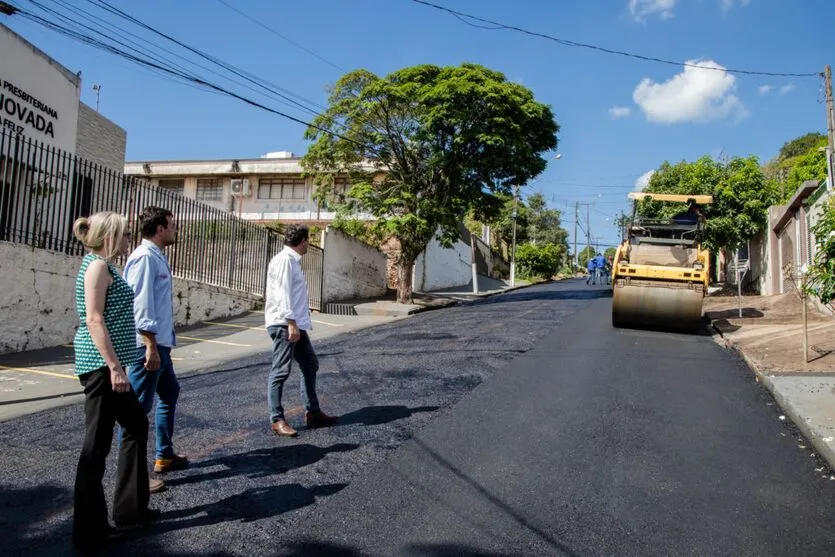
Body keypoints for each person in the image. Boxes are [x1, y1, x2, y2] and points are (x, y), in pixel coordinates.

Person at [71, 212, 158, 549]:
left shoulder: (105, 266)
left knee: (135, 424)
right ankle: (90, 530)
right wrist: (115, 368)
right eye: (123, 235)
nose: (126, 241)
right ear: (109, 236)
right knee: (95, 447)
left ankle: (130, 509)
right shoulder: (96, 266)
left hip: (112, 365)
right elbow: (93, 319)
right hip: (101, 367)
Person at [123, 206, 187, 482]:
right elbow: (140, 304)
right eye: (172, 225)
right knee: (136, 412)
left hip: (160, 345)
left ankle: (164, 454)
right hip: (146, 347)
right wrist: (149, 345)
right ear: (160, 228)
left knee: (170, 392)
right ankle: (134, 478)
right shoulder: (144, 259)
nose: (175, 229)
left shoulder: (158, 257)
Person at [265, 224, 338, 437]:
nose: (309, 244)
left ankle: (313, 412)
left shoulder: (291, 261)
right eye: (308, 240)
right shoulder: (285, 261)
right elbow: (282, 294)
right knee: (280, 371)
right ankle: (277, 419)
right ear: (303, 240)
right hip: (284, 324)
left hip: (294, 324)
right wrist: (291, 323)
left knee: (310, 364)